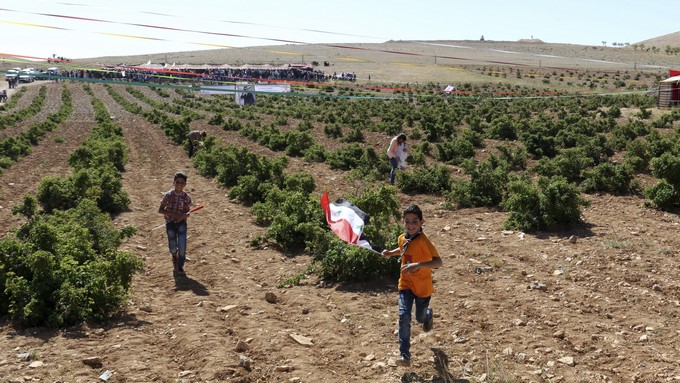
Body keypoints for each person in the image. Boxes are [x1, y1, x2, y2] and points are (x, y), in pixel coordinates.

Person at [381, 204, 443, 366]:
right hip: (406, 284)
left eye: (414, 221)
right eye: (407, 221)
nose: (410, 224)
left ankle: (428, 315)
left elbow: (438, 262)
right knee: (403, 316)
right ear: (404, 222)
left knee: (420, 317)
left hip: (422, 287)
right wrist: (390, 253)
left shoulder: (424, 241)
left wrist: (418, 265)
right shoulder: (402, 238)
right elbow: (403, 249)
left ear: (421, 222)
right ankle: (404, 355)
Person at [158, 172, 193, 276]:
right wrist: (173, 213)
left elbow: (187, 211)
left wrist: (185, 215)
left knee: (182, 247)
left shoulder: (186, 197)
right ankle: (174, 256)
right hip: (170, 223)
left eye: (182, 182)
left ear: (185, 184)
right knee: (173, 247)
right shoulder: (168, 196)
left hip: (182, 224)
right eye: (177, 182)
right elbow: (160, 210)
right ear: (174, 182)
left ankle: (180, 265)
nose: (179, 184)